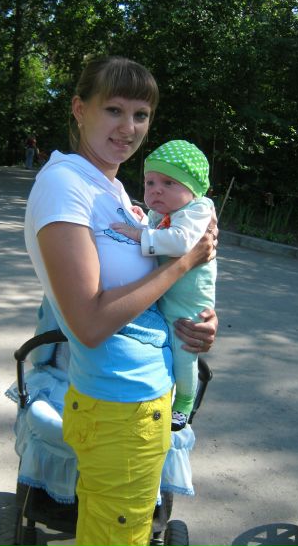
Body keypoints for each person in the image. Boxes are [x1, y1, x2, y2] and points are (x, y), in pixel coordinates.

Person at [24, 55, 218, 546]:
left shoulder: (112, 189)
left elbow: (145, 290)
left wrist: (196, 319)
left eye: (140, 114)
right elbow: (89, 323)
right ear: (79, 109)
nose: (128, 127)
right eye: (113, 109)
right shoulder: (64, 185)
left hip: (137, 398)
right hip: (119, 403)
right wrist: (184, 263)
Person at [110, 139, 217, 432]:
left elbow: (180, 241)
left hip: (188, 303)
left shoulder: (199, 208)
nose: (156, 189)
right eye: (150, 182)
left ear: (193, 188)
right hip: (165, 295)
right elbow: (158, 234)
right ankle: (165, 396)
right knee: (167, 350)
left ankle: (184, 400)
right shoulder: (162, 212)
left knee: (184, 351)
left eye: (169, 183)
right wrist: (143, 222)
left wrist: (137, 234)